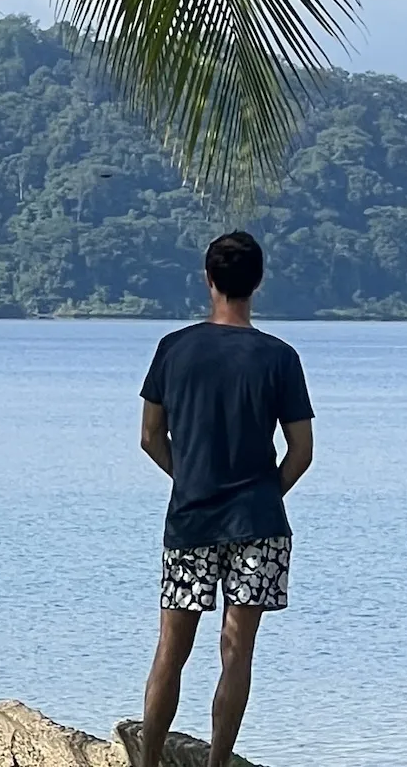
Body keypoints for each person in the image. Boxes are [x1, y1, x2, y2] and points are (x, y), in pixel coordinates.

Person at [135, 231, 314, 767]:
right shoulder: (279, 357)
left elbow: (149, 437)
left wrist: (188, 477)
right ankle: (218, 763)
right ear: (256, 283)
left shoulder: (174, 348)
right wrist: (260, 495)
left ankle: (146, 764)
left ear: (208, 279)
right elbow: (300, 451)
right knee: (236, 651)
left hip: (191, 517)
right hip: (258, 522)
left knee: (171, 649)